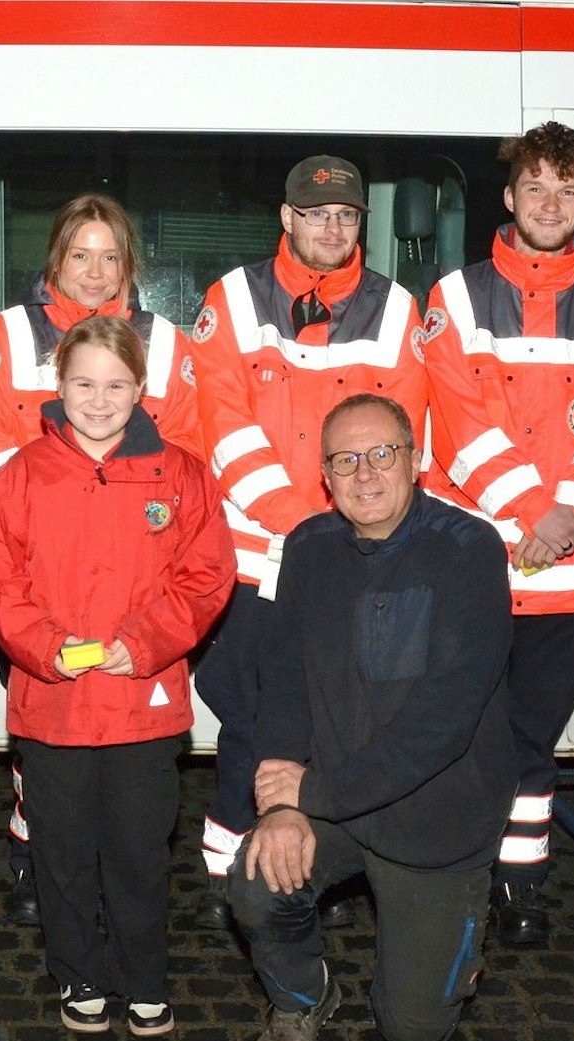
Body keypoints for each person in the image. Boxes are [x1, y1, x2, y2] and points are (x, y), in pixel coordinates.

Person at [229, 394, 516, 1041]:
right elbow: (286, 682)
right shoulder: (309, 548)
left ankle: (457, 935)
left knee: (414, 1033)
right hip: (335, 807)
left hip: (437, 820)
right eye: (345, 460)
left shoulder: (468, 550)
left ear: (414, 461)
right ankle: (302, 1000)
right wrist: (284, 804)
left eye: (383, 454)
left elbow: (443, 723)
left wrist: (316, 789)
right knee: (256, 878)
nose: (366, 474)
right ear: (324, 475)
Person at [0, 192, 203, 926]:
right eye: (79, 255)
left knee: (123, 747)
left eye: (109, 256)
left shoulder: (166, 345)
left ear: (130, 265)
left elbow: (189, 457)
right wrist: (46, 516)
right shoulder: (10, 335)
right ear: (55, 259)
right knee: (41, 733)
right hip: (35, 575)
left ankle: (108, 867)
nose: (94, 272)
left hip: (135, 576)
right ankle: (37, 847)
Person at [421, 122, 574, 946]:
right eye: (536, 187)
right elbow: (456, 422)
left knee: (532, 742)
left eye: (568, 190)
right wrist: (535, 514)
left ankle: (519, 883)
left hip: (570, 573)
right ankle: (447, 882)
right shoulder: (454, 295)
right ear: (510, 197)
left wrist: (567, 519)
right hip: (477, 565)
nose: (550, 204)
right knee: (460, 732)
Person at [0, 316, 234, 1036]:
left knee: (140, 848)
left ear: (141, 389)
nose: (98, 398)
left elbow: (208, 574)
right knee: (60, 851)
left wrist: (144, 641)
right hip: (52, 699)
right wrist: (42, 644)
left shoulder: (180, 474)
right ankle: (80, 971)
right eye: (84, 383)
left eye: (115, 384)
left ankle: (143, 974)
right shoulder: (18, 476)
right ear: (58, 386)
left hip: (141, 702)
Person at [191, 156, 427, 926]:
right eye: (316, 214)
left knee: (341, 723)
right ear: (286, 218)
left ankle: (314, 868)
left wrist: (343, 531)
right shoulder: (233, 298)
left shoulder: (396, 310)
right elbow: (221, 426)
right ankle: (229, 876)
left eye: (347, 216)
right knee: (250, 727)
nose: (332, 228)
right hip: (255, 562)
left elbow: (400, 432)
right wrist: (307, 523)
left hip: (355, 562)